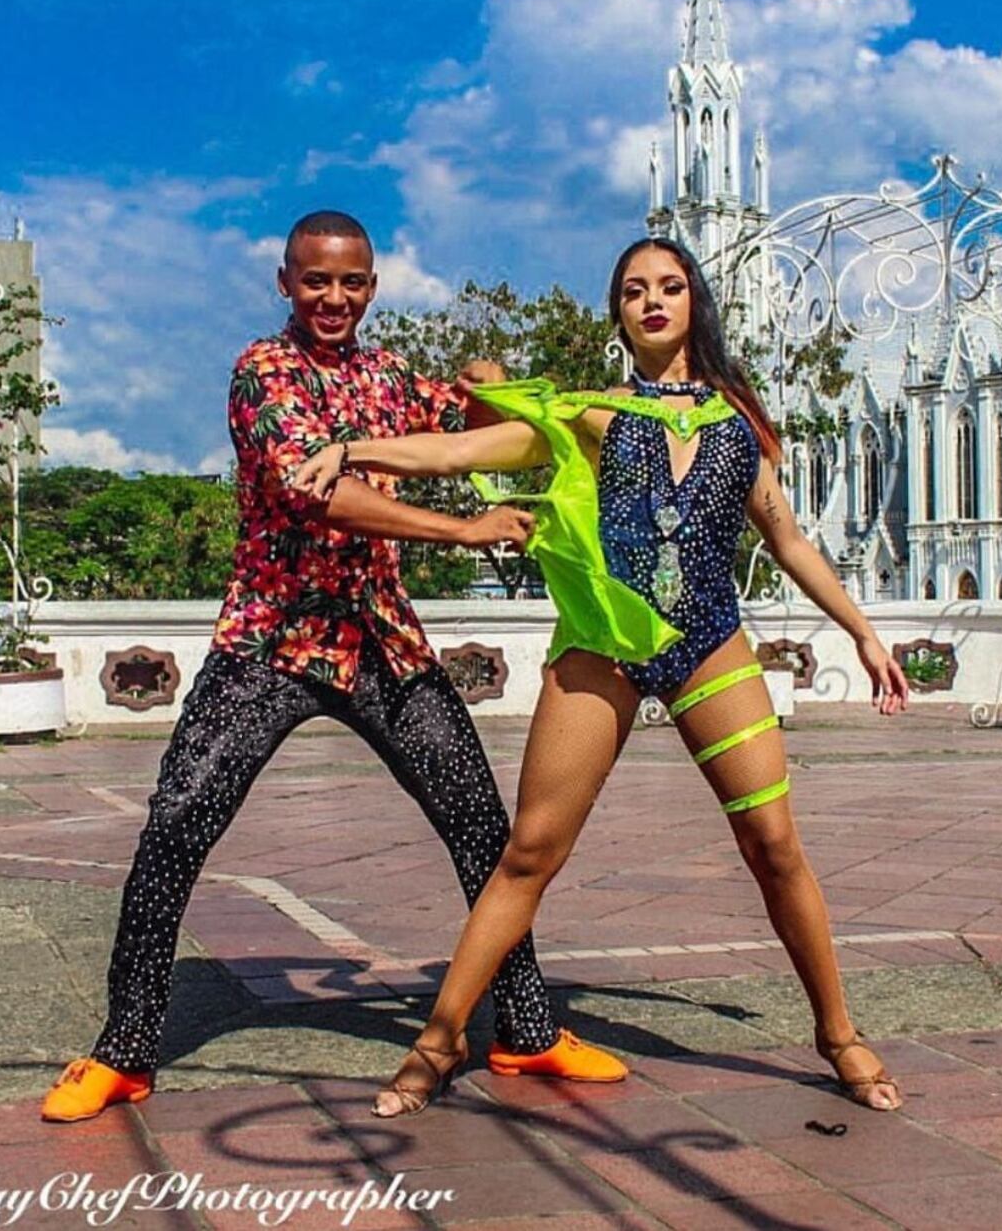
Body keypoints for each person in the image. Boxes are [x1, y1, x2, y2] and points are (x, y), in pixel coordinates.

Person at [293, 235, 911, 1118]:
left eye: (669, 285)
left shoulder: (740, 424)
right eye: (633, 290)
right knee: (530, 852)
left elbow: (789, 540)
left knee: (774, 845)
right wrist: (356, 449)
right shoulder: (591, 414)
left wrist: (863, 632)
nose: (652, 300)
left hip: (708, 643)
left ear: (694, 299)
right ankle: (437, 1044)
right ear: (617, 312)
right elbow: (463, 453)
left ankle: (839, 1034)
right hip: (604, 645)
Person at [39, 211, 624, 1123]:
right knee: (178, 823)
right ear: (285, 282)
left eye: (352, 283)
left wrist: (494, 388)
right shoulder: (261, 372)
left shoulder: (388, 376)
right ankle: (124, 1050)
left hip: (380, 639)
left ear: (373, 288)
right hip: (271, 639)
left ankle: (527, 1028)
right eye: (317, 281)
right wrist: (463, 529)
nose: (334, 298)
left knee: (482, 824)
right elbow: (329, 494)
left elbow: (467, 430)